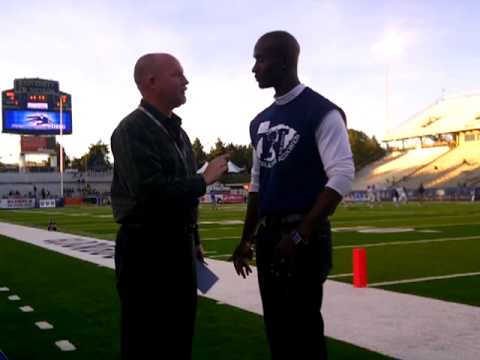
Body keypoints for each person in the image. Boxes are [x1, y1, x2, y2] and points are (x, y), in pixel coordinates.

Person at [231, 31, 354, 359]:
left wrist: (301, 234)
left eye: (260, 59)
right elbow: (257, 185)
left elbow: (342, 174)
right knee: (277, 329)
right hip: (271, 237)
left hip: (304, 238)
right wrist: (246, 240)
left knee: (304, 332)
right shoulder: (258, 123)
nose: (254, 68)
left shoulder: (321, 111)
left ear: (284, 62)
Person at [110, 53, 229, 360]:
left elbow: (183, 194)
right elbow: (149, 192)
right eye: (177, 74)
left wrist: (195, 238)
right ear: (151, 81)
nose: (186, 81)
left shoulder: (180, 133)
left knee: (178, 339)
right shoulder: (131, 130)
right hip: (146, 248)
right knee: (146, 341)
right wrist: (204, 179)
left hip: (179, 245)